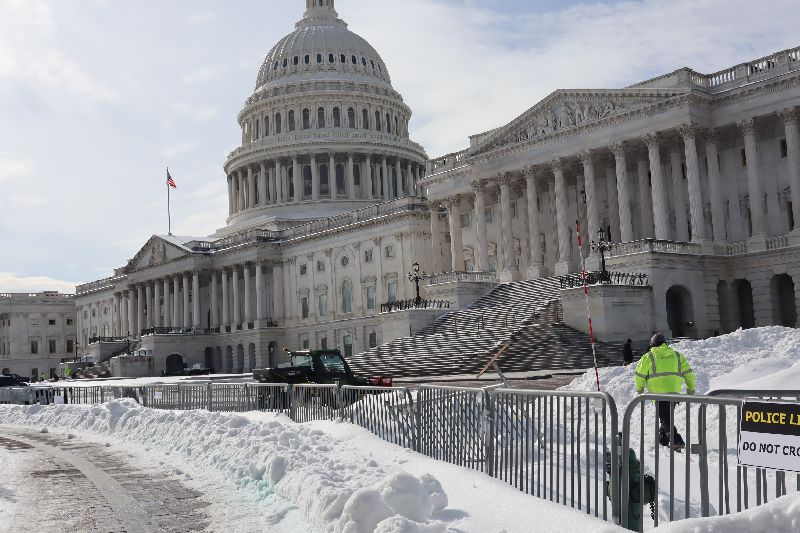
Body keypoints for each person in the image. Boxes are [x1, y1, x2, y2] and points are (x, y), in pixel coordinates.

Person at [634, 333, 696, 450]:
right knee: (666, 416)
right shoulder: (677, 356)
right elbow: (689, 373)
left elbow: (639, 375)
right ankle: (662, 439)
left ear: (652, 345)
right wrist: (690, 388)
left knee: (665, 418)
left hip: (658, 394)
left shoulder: (649, 356)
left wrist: (640, 389)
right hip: (674, 393)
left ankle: (676, 440)